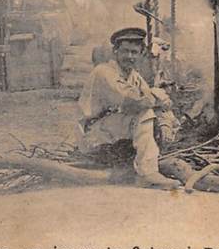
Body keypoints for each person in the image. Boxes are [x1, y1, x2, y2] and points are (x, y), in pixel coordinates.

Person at [76, 27, 181, 189]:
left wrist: (166, 122)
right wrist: (158, 96)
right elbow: (135, 102)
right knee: (144, 113)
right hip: (94, 135)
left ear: (140, 54)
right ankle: (148, 173)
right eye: (125, 51)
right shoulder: (104, 72)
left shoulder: (133, 76)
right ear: (115, 51)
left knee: (159, 116)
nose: (130, 57)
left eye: (134, 52)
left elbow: (160, 103)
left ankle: (144, 168)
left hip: (115, 132)